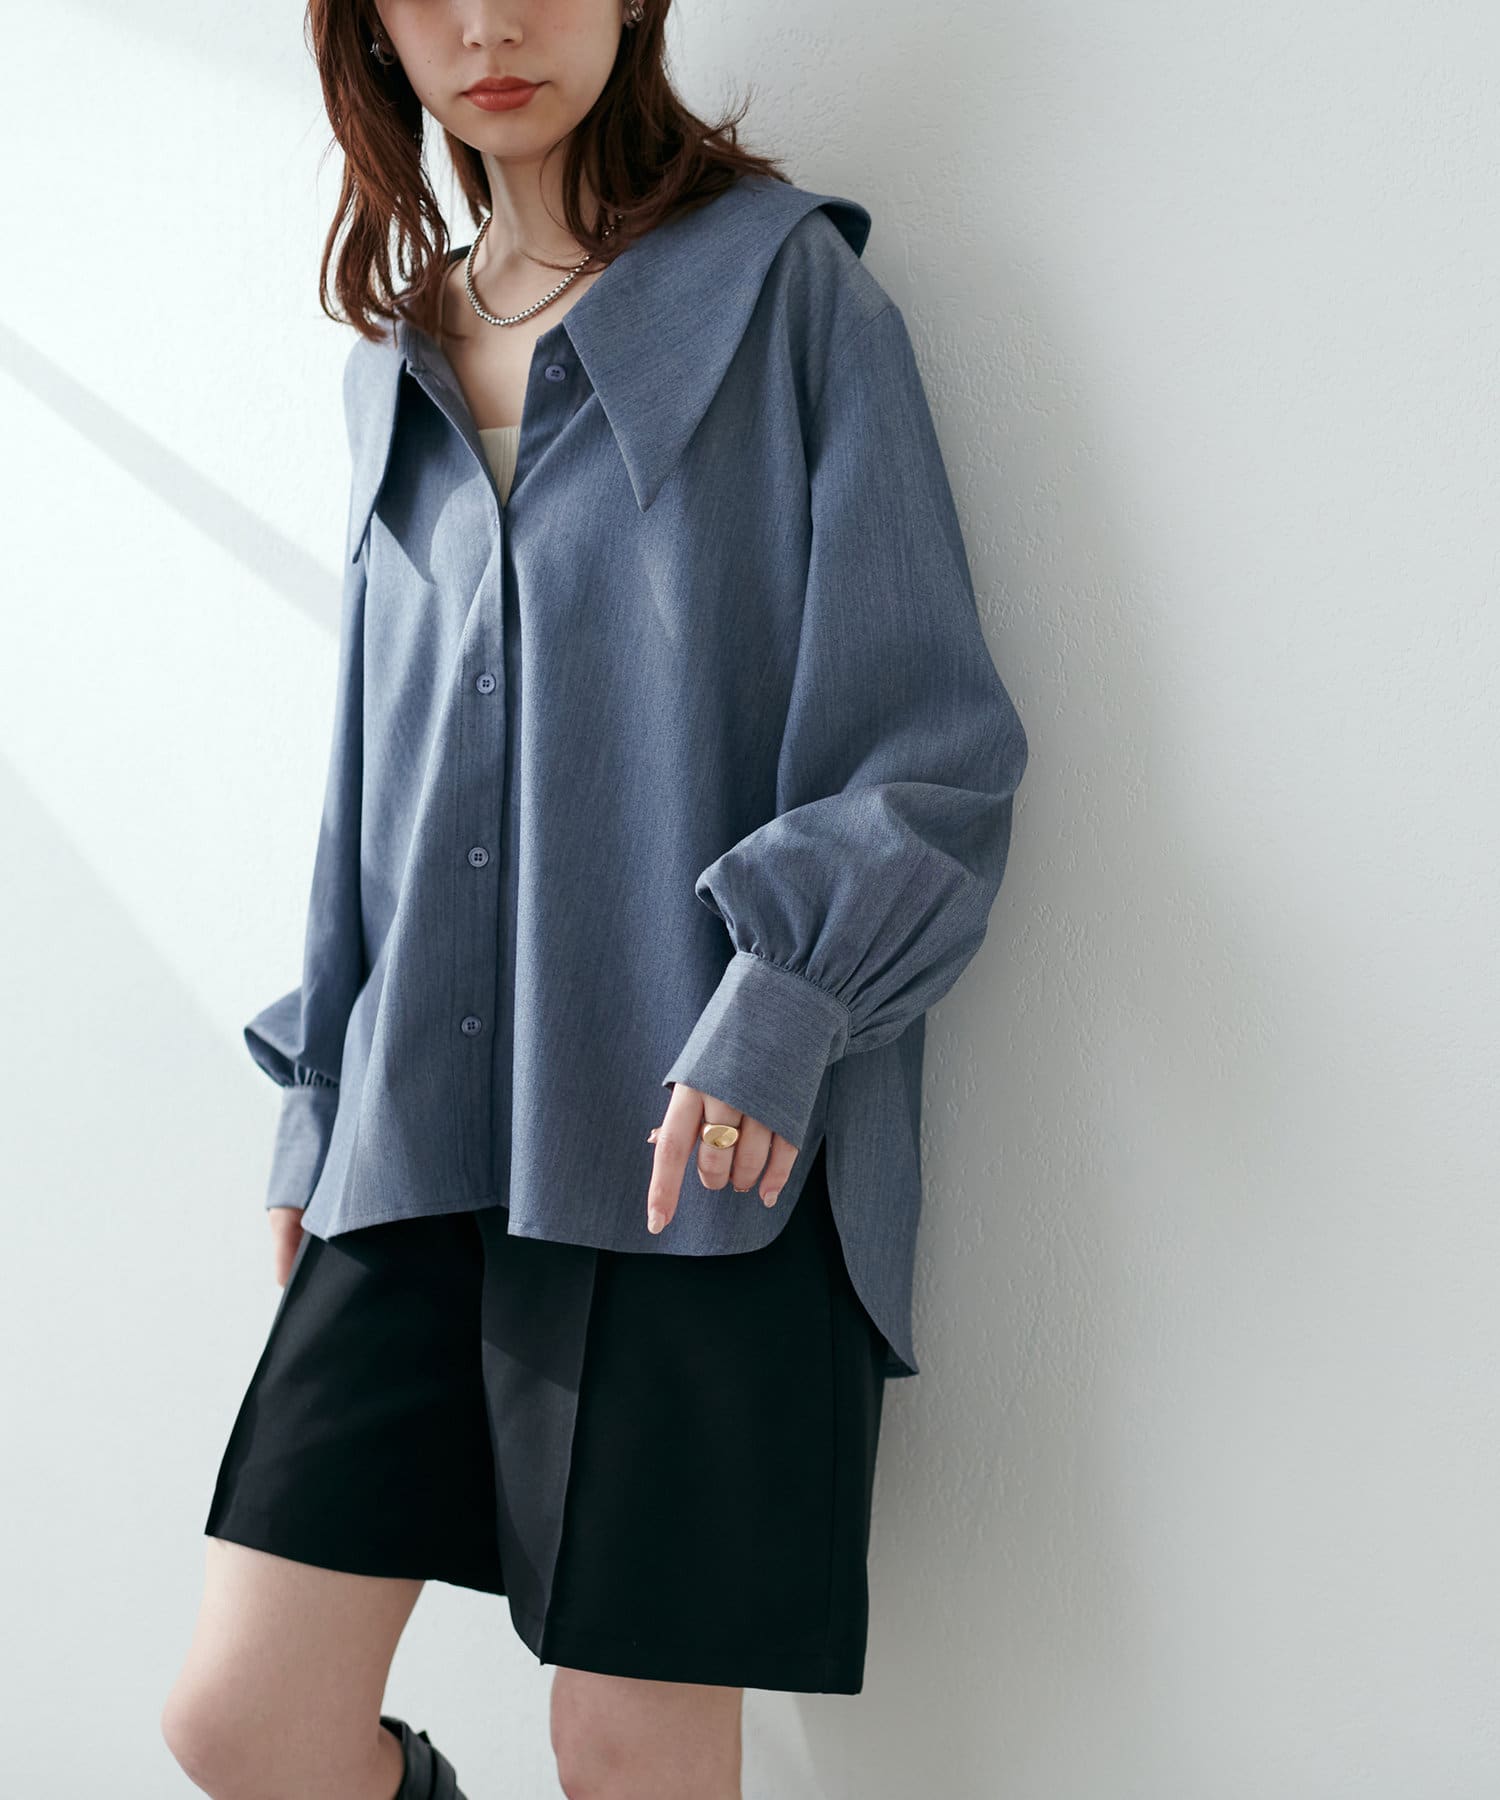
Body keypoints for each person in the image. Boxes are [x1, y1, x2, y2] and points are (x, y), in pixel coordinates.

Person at [160, 1, 1029, 1795]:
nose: (490, 24)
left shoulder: (787, 296)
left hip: (700, 1137)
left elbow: (930, 745)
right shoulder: (395, 358)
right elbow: (375, 781)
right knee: (245, 1724)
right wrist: (318, 1103)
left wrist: (783, 1002)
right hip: (420, 1127)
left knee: (628, 1748)